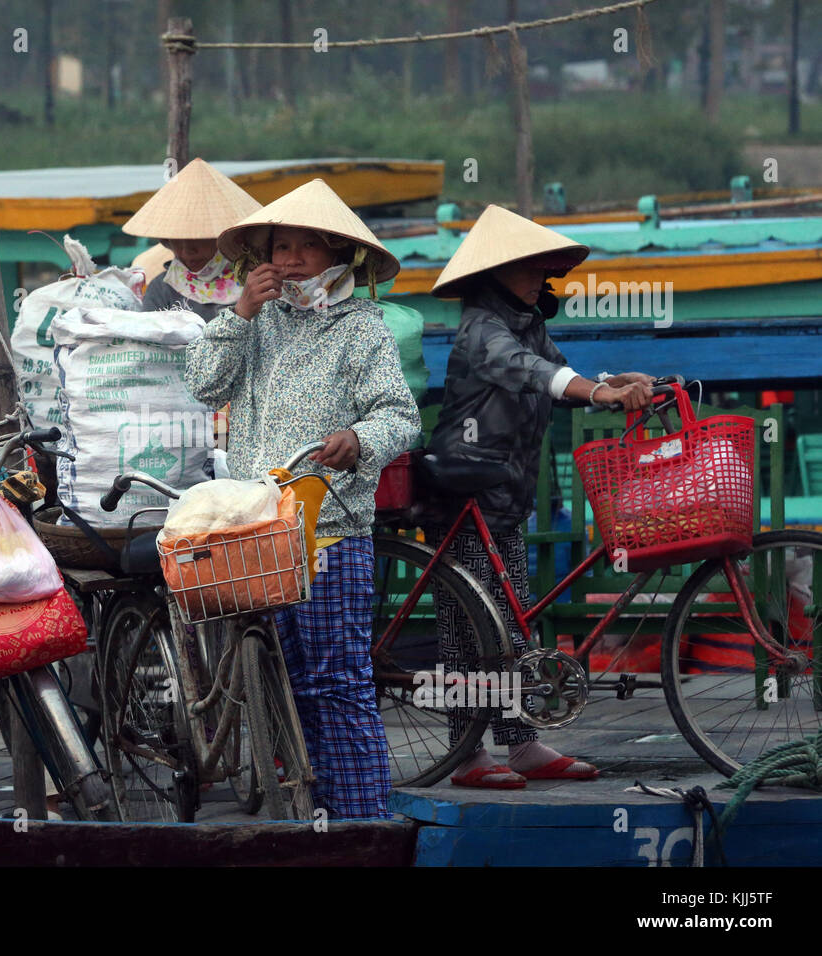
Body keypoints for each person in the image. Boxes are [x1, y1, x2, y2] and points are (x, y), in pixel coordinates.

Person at [186, 178, 421, 818]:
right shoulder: (252, 324)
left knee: (336, 684)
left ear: (338, 256)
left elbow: (401, 417)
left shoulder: (362, 328)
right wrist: (238, 315)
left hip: (331, 534)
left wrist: (358, 437)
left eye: (304, 248)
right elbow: (204, 386)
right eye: (278, 248)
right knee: (280, 683)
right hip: (259, 534)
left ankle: (362, 818)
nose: (288, 261)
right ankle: (310, 812)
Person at [424, 203, 654, 788]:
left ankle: (520, 742)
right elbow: (527, 371)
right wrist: (595, 393)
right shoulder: (484, 329)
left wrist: (612, 384)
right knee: (471, 626)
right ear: (495, 272)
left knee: (512, 624)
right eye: (527, 267)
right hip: (463, 488)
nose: (540, 277)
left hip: (504, 492)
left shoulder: (528, 324)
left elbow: (561, 373)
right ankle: (467, 754)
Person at [124, 158, 261, 321]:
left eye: (198, 239)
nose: (187, 251)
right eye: (177, 241)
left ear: (225, 238)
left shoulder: (254, 285)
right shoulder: (162, 289)